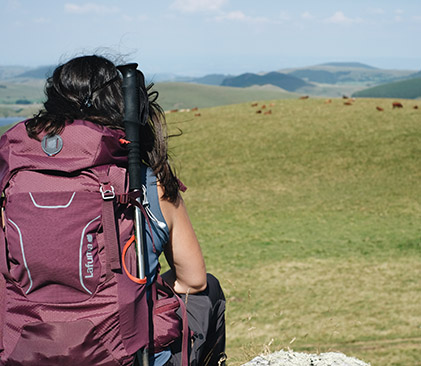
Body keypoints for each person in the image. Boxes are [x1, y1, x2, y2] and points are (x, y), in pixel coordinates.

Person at [0, 55, 226, 366]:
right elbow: (193, 282)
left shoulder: (12, 184)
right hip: (126, 356)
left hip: (23, 353)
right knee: (209, 290)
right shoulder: (147, 181)